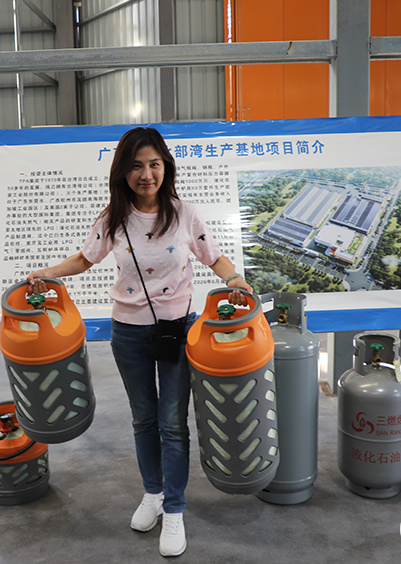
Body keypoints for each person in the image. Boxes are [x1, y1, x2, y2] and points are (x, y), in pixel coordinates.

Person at [27, 126, 252, 558]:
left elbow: (215, 256)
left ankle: (175, 508)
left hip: (178, 330)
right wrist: (47, 273)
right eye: (136, 166)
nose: (146, 174)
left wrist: (235, 279)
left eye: (154, 164)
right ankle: (153, 492)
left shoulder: (184, 214)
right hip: (128, 332)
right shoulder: (113, 218)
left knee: (172, 422)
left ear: (166, 167)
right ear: (122, 172)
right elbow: (85, 258)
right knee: (144, 419)